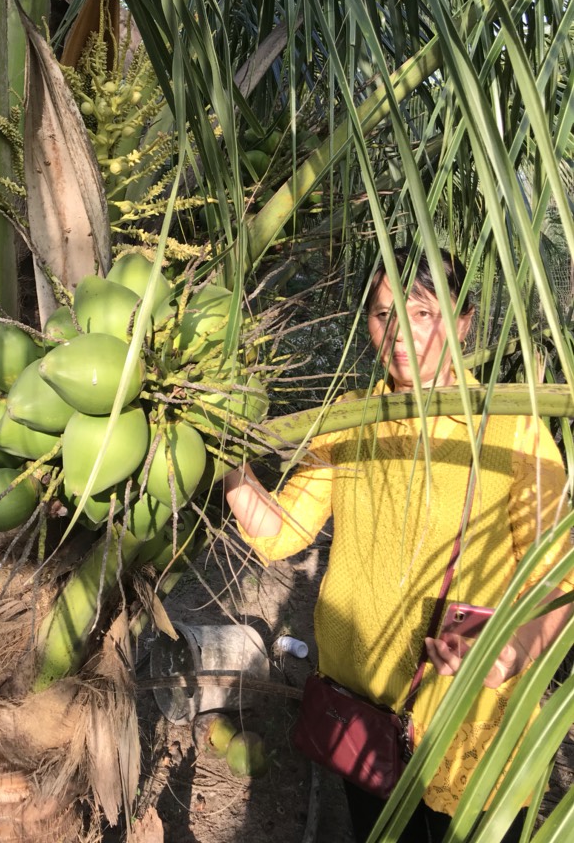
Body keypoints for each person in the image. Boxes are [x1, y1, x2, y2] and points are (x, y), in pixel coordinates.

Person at [225, 248, 574, 843]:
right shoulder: (351, 418)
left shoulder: (512, 428)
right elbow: (280, 528)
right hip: (363, 720)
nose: (399, 333)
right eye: (384, 315)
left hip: (468, 730)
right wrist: (223, 454)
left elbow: (558, 577)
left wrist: (512, 652)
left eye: (420, 311)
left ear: (463, 323)